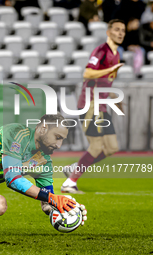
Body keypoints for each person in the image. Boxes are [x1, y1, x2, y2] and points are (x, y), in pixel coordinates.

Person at [61, 19, 126, 193]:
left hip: (102, 105)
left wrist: (113, 97)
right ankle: (69, 183)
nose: (120, 33)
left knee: (112, 148)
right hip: (90, 104)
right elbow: (87, 73)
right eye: (117, 29)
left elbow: (103, 83)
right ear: (108, 32)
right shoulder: (101, 51)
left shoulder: (116, 55)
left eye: (123, 30)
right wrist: (109, 70)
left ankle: (74, 168)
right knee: (96, 146)